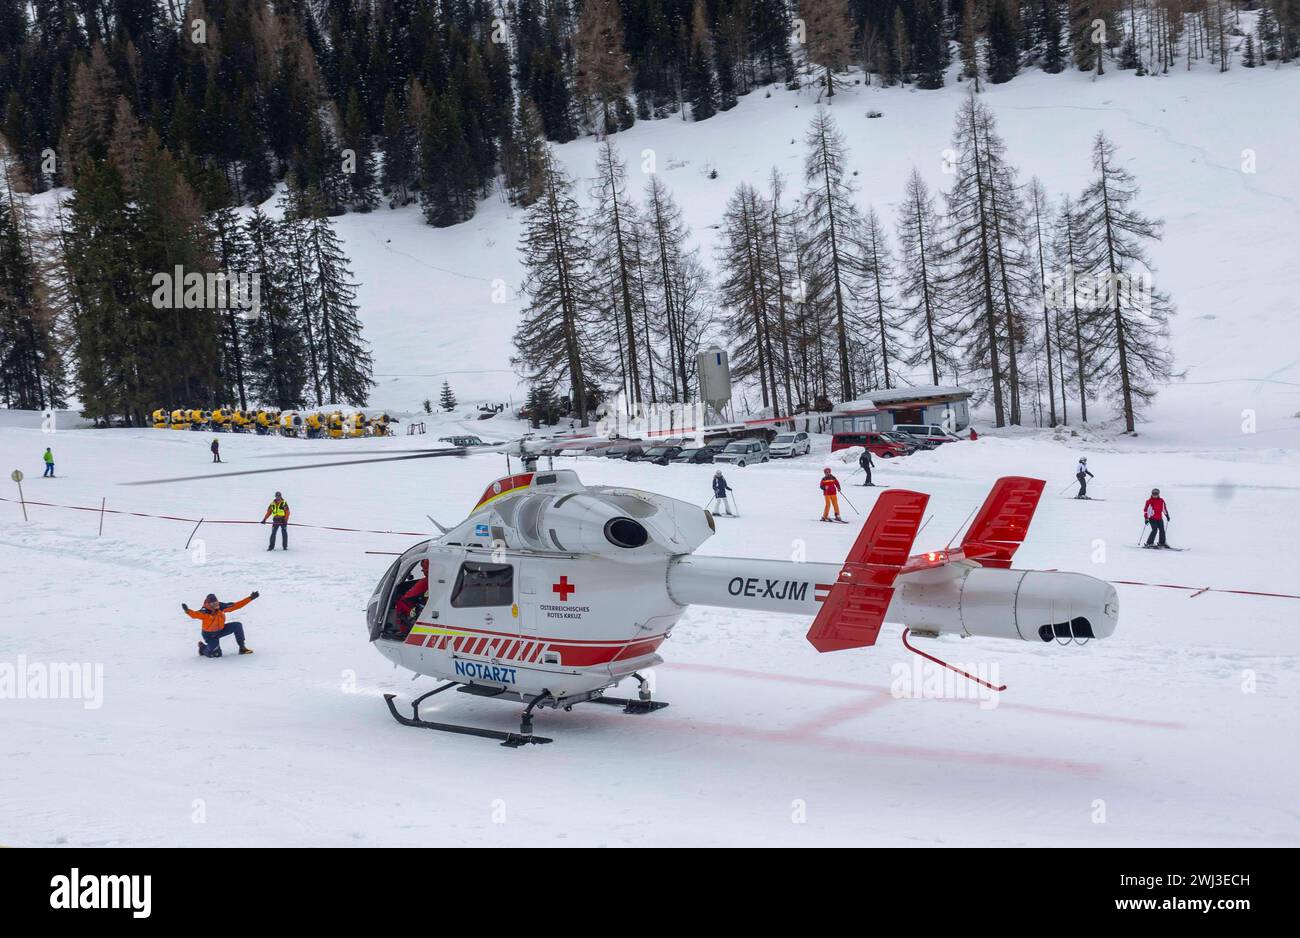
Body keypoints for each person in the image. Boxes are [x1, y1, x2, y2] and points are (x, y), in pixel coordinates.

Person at [184, 591, 258, 657]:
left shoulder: (221, 607)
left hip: (221, 630)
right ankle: (202, 648)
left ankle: (242, 648)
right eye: (213, 603)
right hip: (210, 635)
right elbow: (195, 615)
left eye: (216, 602)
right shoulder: (205, 612)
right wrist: (188, 611)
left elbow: (236, 605)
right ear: (208, 604)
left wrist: (250, 598)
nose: (215, 604)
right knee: (217, 655)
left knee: (237, 625)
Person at [393, 560, 429, 636]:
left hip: (426, 611)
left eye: (424, 568)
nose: (422, 571)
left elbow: (407, 598)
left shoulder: (426, 582)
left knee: (400, 603)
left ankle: (404, 631)